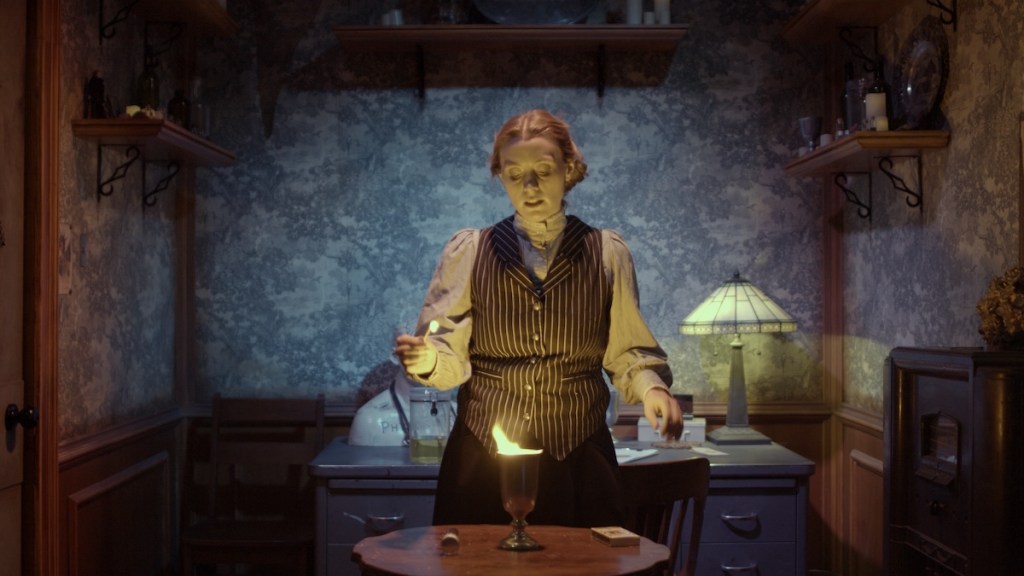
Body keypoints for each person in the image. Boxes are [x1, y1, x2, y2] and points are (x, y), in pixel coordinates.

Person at [394, 109, 682, 528]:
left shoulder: (606, 252)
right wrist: (428, 361)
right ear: (501, 177)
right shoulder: (470, 250)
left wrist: (652, 388)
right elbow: (446, 351)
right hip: (482, 462)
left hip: (578, 457)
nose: (529, 187)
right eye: (514, 175)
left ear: (569, 169)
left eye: (543, 171)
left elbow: (628, 352)